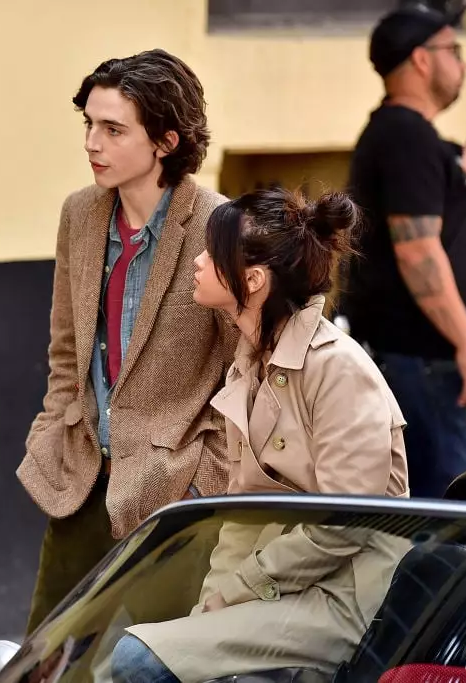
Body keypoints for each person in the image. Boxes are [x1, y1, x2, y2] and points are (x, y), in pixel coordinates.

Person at [111, 188, 410, 682]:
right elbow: (243, 514)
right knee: (158, 654)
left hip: (348, 601)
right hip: (279, 593)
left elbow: (345, 524)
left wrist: (242, 588)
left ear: (252, 280)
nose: (199, 261)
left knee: (136, 659)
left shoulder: (337, 368)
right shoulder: (247, 366)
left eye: (212, 252)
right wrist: (213, 604)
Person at [18, 49, 238, 636]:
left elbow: (247, 365)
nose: (93, 142)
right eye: (89, 124)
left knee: (152, 660)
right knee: (49, 656)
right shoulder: (80, 214)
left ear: (166, 140)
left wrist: (206, 475)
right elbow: (66, 348)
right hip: (84, 472)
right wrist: (56, 426)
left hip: (175, 485)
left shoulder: (219, 225)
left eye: (114, 129)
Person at [343, 1, 466, 498]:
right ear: (423, 59)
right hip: (425, 362)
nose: (463, 63)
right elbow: (418, 250)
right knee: (445, 527)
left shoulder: (412, 137)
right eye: (454, 50)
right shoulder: (404, 137)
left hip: (427, 362)